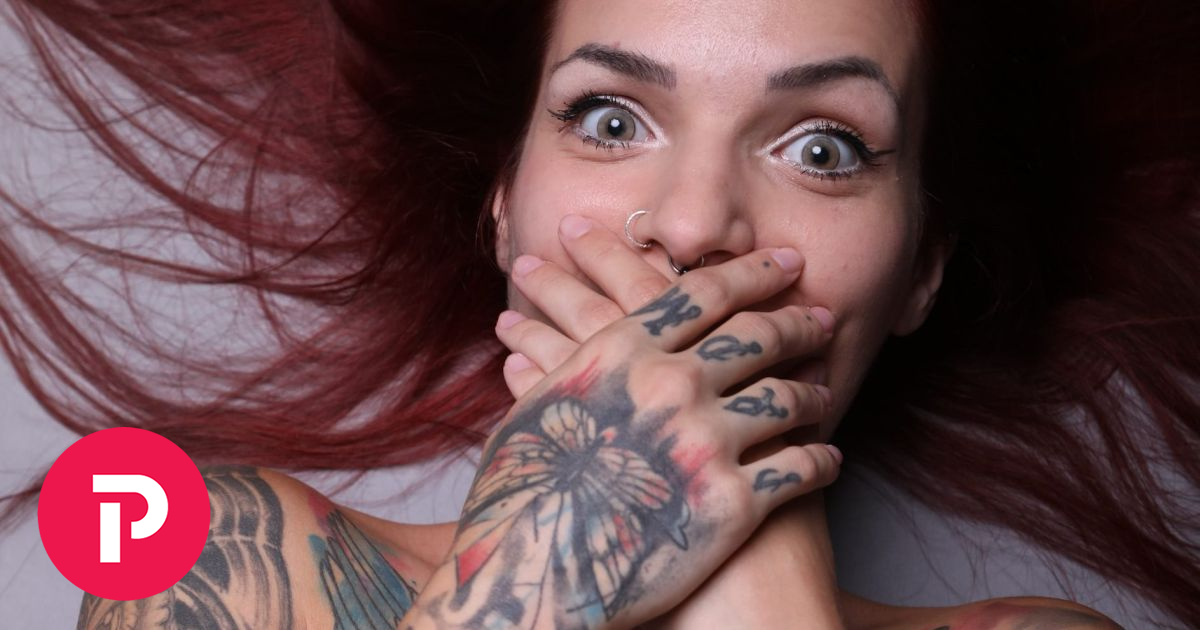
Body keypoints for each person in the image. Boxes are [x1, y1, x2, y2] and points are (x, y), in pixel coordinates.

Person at [0, 0, 1196, 627]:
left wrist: (761, 594)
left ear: (922, 269)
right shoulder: (218, 560)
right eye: (612, 120)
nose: (694, 225)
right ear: (504, 207)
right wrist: (539, 570)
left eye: (822, 147)